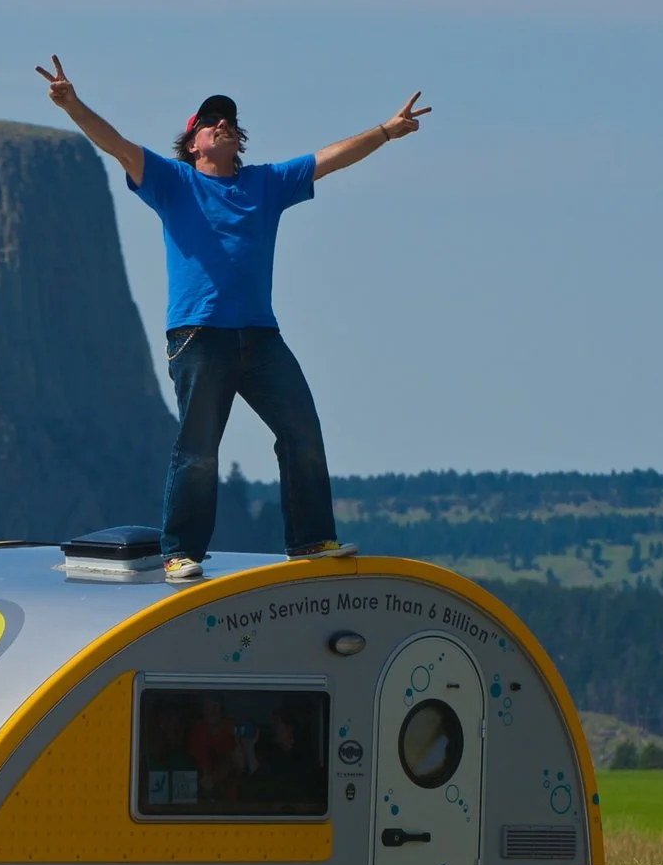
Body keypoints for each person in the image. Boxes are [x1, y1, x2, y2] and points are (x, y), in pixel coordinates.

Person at [35, 55, 431, 581]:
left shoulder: (266, 183)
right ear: (192, 142)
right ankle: (181, 552)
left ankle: (311, 541)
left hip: (261, 338)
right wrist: (72, 104)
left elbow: (328, 159)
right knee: (198, 450)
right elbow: (116, 144)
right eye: (210, 120)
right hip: (198, 336)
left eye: (229, 120)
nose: (222, 123)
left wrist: (386, 130)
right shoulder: (172, 181)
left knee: (303, 432)